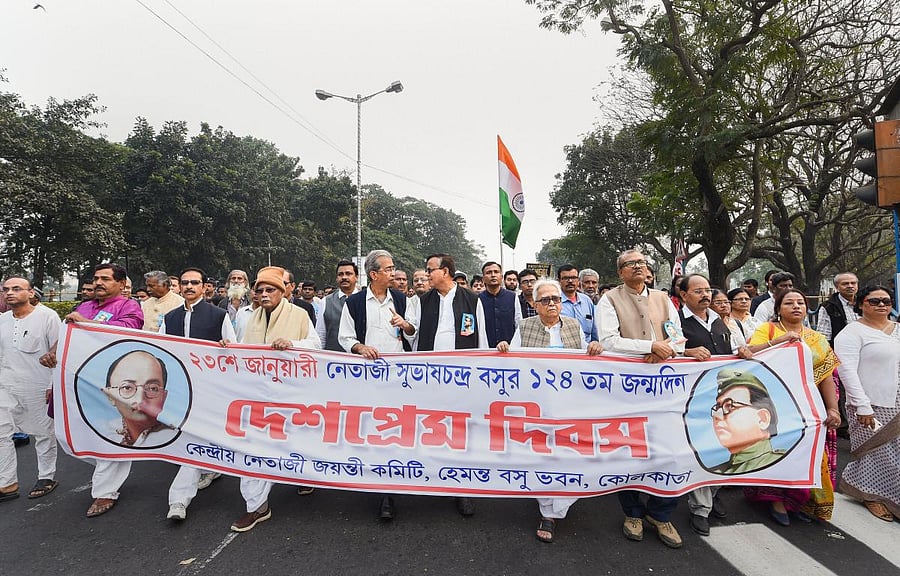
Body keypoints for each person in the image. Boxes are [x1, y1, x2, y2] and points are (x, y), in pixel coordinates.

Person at [495, 278, 602, 542]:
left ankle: (560, 503)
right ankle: (548, 512)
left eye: (556, 299)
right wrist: (504, 349)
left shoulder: (575, 326)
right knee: (543, 454)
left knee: (568, 453)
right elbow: (514, 361)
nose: (552, 304)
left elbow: (584, 362)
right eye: (545, 300)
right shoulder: (525, 326)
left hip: (569, 404)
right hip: (538, 404)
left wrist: (595, 349)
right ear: (534, 304)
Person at [596, 249, 684, 548]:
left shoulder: (663, 299)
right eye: (631, 264)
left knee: (670, 449)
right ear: (620, 271)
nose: (638, 267)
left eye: (642, 263)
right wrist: (649, 346)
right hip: (626, 386)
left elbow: (677, 336)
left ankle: (661, 513)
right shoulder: (608, 300)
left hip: (664, 384)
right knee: (629, 448)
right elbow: (609, 341)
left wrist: (667, 348)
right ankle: (632, 512)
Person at [232, 266, 320, 533]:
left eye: (270, 289)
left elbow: (316, 345)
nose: (264, 294)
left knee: (296, 440)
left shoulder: (300, 314)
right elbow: (243, 351)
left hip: (292, 393)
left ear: (282, 292)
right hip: (258, 393)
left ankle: (303, 475)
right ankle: (256, 507)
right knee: (253, 447)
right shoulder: (250, 319)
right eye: (260, 290)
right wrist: (226, 346)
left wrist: (292, 344)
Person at [746, 288, 841, 526]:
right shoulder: (766, 330)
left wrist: (833, 409)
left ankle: (799, 500)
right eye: (789, 303)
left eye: (800, 302)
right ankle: (777, 500)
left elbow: (826, 377)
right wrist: (780, 341)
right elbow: (746, 354)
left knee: (808, 454)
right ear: (778, 309)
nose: (796, 306)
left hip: (808, 407)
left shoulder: (817, 339)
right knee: (777, 451)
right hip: (773, 404)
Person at [407, 253, 487, 516]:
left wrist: (480, 372)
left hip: (462, 377)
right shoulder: (422, 301)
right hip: (430, 377)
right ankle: (432, 477)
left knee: (460, 430)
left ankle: (461, 487)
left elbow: (481, 337)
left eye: (431, 270)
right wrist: (405, 326)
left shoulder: (471, 299)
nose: (427, 275)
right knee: (431, 426)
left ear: (446, 271)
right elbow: (414, 334)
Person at [339, 250, 415, 520]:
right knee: (376, 430)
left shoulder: (404, 301)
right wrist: (360, 347)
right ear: (374, 275)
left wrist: (405, 325)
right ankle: (383, 490)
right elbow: (345, 337)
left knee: (397, 429)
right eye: (388, 269)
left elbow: (414, 333)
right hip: (368, 377)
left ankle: (395, 483)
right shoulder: (356, 303)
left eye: (394, 268)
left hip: (400, 377)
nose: (394, 273)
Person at [678, 275, 752, 536]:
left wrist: (743, 352)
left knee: (726, 447)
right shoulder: (676, 320)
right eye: (698, 291)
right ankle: (700, 508)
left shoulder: (721, 321)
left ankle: (712, 492)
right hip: (691, 397)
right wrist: (687, 353)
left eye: (707, 290)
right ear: (683, 294)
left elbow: (738, 349)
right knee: (701, 448)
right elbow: (669, 351)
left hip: (723, 395)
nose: (705, 295)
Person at [160, 267, 235, 521]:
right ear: (178, 286)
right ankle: (204, 472)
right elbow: (160, 351)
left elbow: (233, 352)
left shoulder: (218, 315)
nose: (189, 287)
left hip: (210, 390)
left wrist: (225, 348)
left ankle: (179, 500)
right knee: (188, 441)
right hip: (180, 391)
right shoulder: (169, 318)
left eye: (195, 283)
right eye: (185, 283)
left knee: (194, 441)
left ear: (204, 287)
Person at [834, 285, 900, 522]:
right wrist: (862, 405)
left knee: (897, 454)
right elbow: (846, 371)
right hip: (871, 402)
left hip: (898, 399)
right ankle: (871, 495)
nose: (882, 305)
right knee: (876, 452)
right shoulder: (851, 333)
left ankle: (891, 496)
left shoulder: (897, 329)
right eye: (875, 301)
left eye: (886, 301)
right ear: (861, 304)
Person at [0, 277, 61, 502]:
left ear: (31, 292)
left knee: (43, 433)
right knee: (1, 433)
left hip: (38, 384)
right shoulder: (3, 320)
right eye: (6, 289)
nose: (10, 293)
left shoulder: (47, 317)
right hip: (5, 384)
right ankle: (6, 483)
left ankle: (46, 476)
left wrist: (52, 384)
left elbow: (58, 352)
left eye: (16, 289)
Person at [709, 369, 785, 474]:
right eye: (717, 407)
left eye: (730, 406)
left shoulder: (785, 463)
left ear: (762, 419)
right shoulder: (715, 474)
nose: (717, 415)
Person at [317, 260, 360, 351]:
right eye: (340, 274)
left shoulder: (365, 300)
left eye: (348, 274)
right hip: (333, 360)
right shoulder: (326, 301)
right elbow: (321, 335)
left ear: (356, 277)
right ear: (337, 278)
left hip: (361, 361)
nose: (344, 277)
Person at [479, 261, 521, 348]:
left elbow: (519, 324)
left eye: (496, 272)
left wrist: (514, 345)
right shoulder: (477, 299)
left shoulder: (512, 297)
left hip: (509, 349)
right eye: (489, 272)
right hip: (485, 350)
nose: (493, 275)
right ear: (483, 279)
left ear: (501, 277)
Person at [557, 264, 598, 346]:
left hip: (586, 352)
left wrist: (596, 344)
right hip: (563, 350)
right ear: (559, 281)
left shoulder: (587, 301)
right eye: (565, 278)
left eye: (573, 278)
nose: (570, 281)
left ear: (578, 281)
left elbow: (594, 331)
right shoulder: (554, 302)